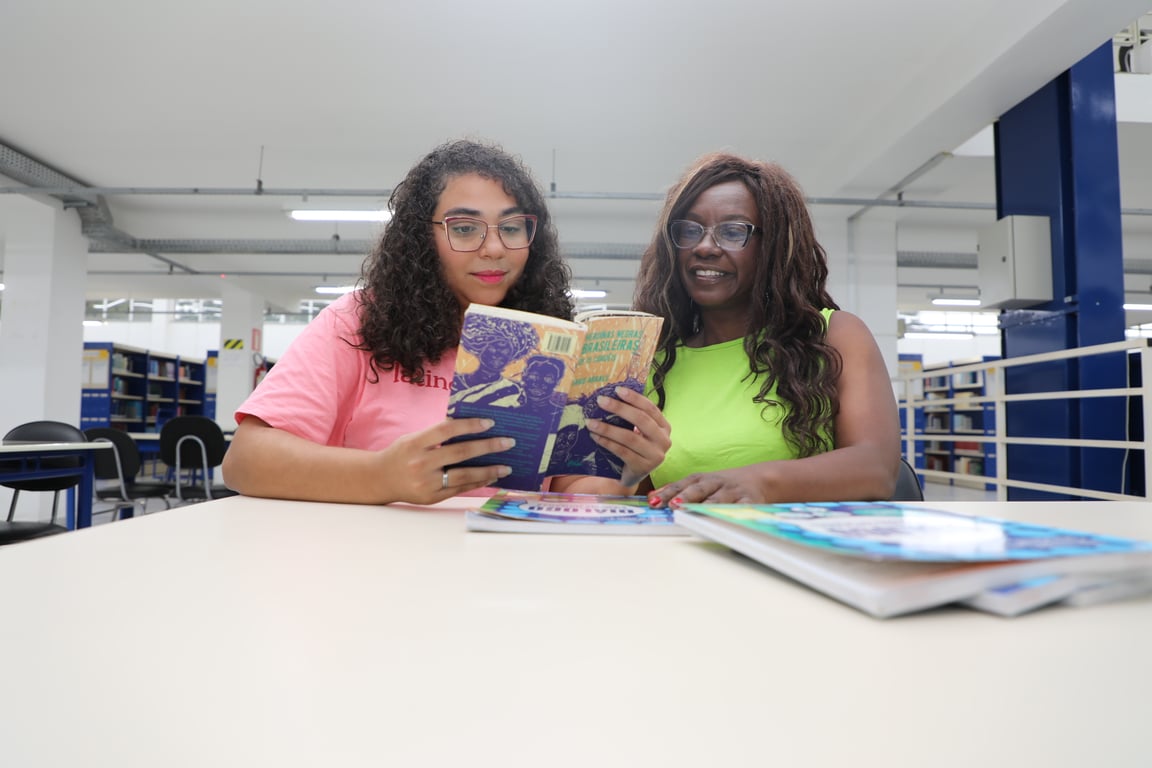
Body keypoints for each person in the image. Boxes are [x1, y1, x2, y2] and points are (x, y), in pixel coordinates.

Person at [222, 139, 671, 504]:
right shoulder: (358, 320)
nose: (493, 247)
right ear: (423, 236)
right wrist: (382, 477)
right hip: (374, 573)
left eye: (512, 227)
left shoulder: (554, 340)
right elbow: (246, 460)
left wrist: (626, 471)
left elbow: (571, 496)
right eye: (464, 228)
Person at [632, 152, 901, 505]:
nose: (705, 247)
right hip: (681, 552)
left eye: (733, 231)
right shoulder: (654, 358)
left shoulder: (834, 335)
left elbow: (876, 468)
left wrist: (761, 483)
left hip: (799, 554)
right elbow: (641, 493)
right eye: (690, 230)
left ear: (773, 246)